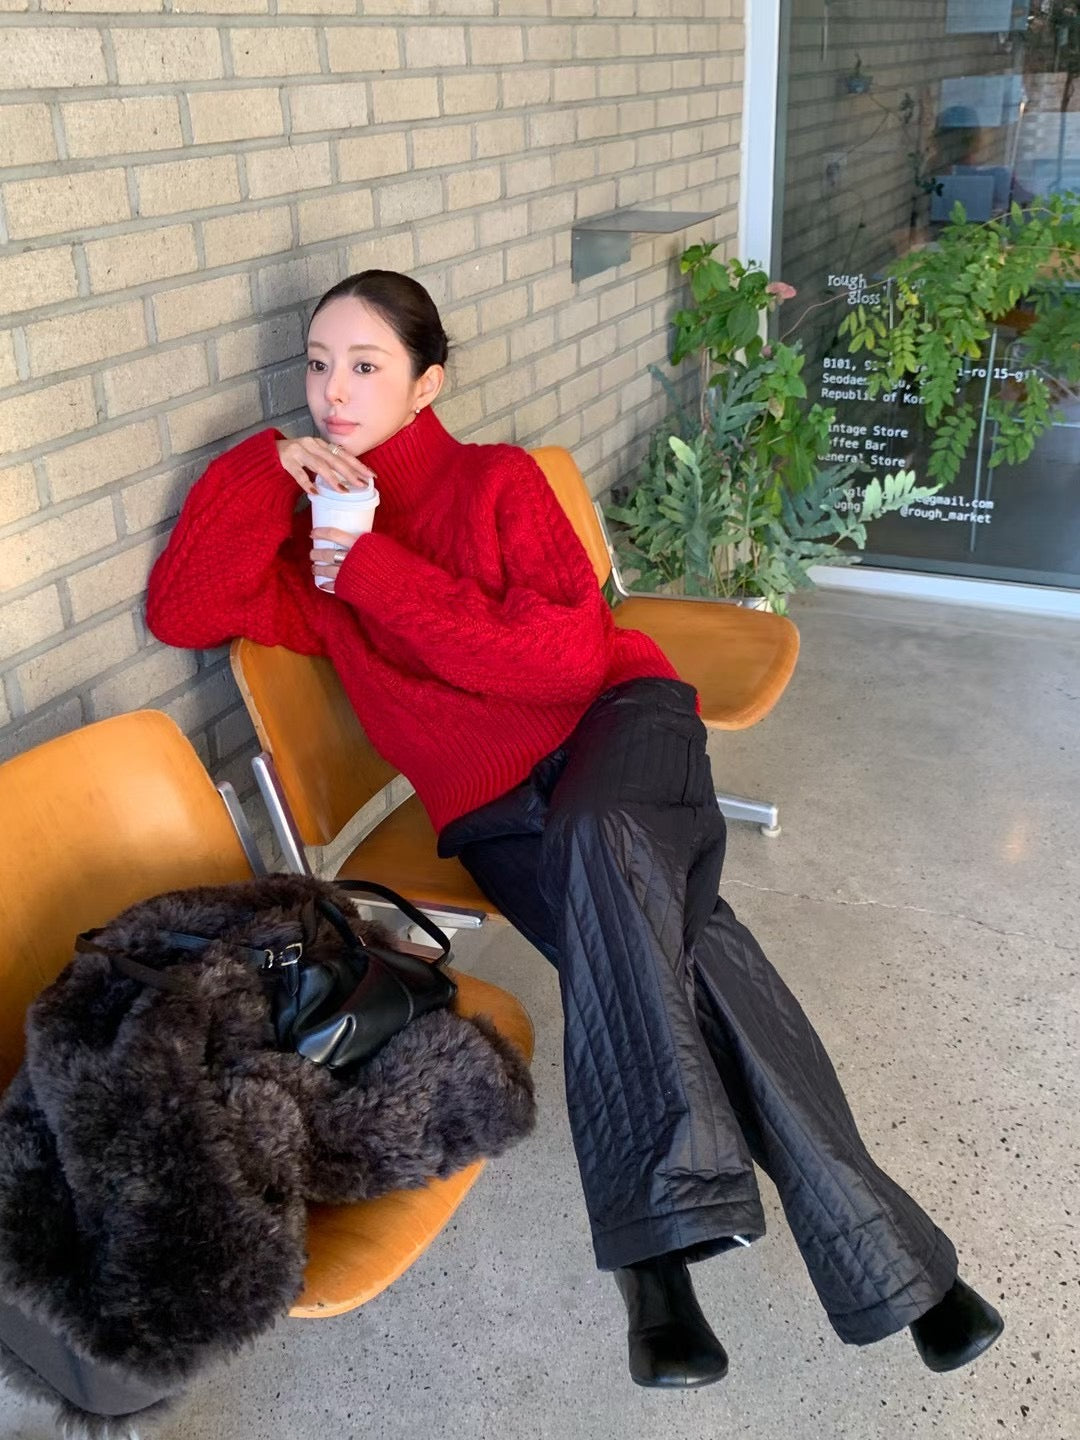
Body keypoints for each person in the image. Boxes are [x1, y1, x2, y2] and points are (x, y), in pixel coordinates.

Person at [147, 270, 1003, 1388]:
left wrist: (373, 569)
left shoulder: (495, 482)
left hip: (618, 727)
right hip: (495, 812)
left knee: (604, 845)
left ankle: (654, 1266)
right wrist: (265, 468)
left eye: (365, 366)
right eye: (317, 366)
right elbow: (185, 610)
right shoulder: (312, 548)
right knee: (686, 955)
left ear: (426, 384)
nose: (334, 392)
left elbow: (560, 659)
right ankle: (900, 1269)